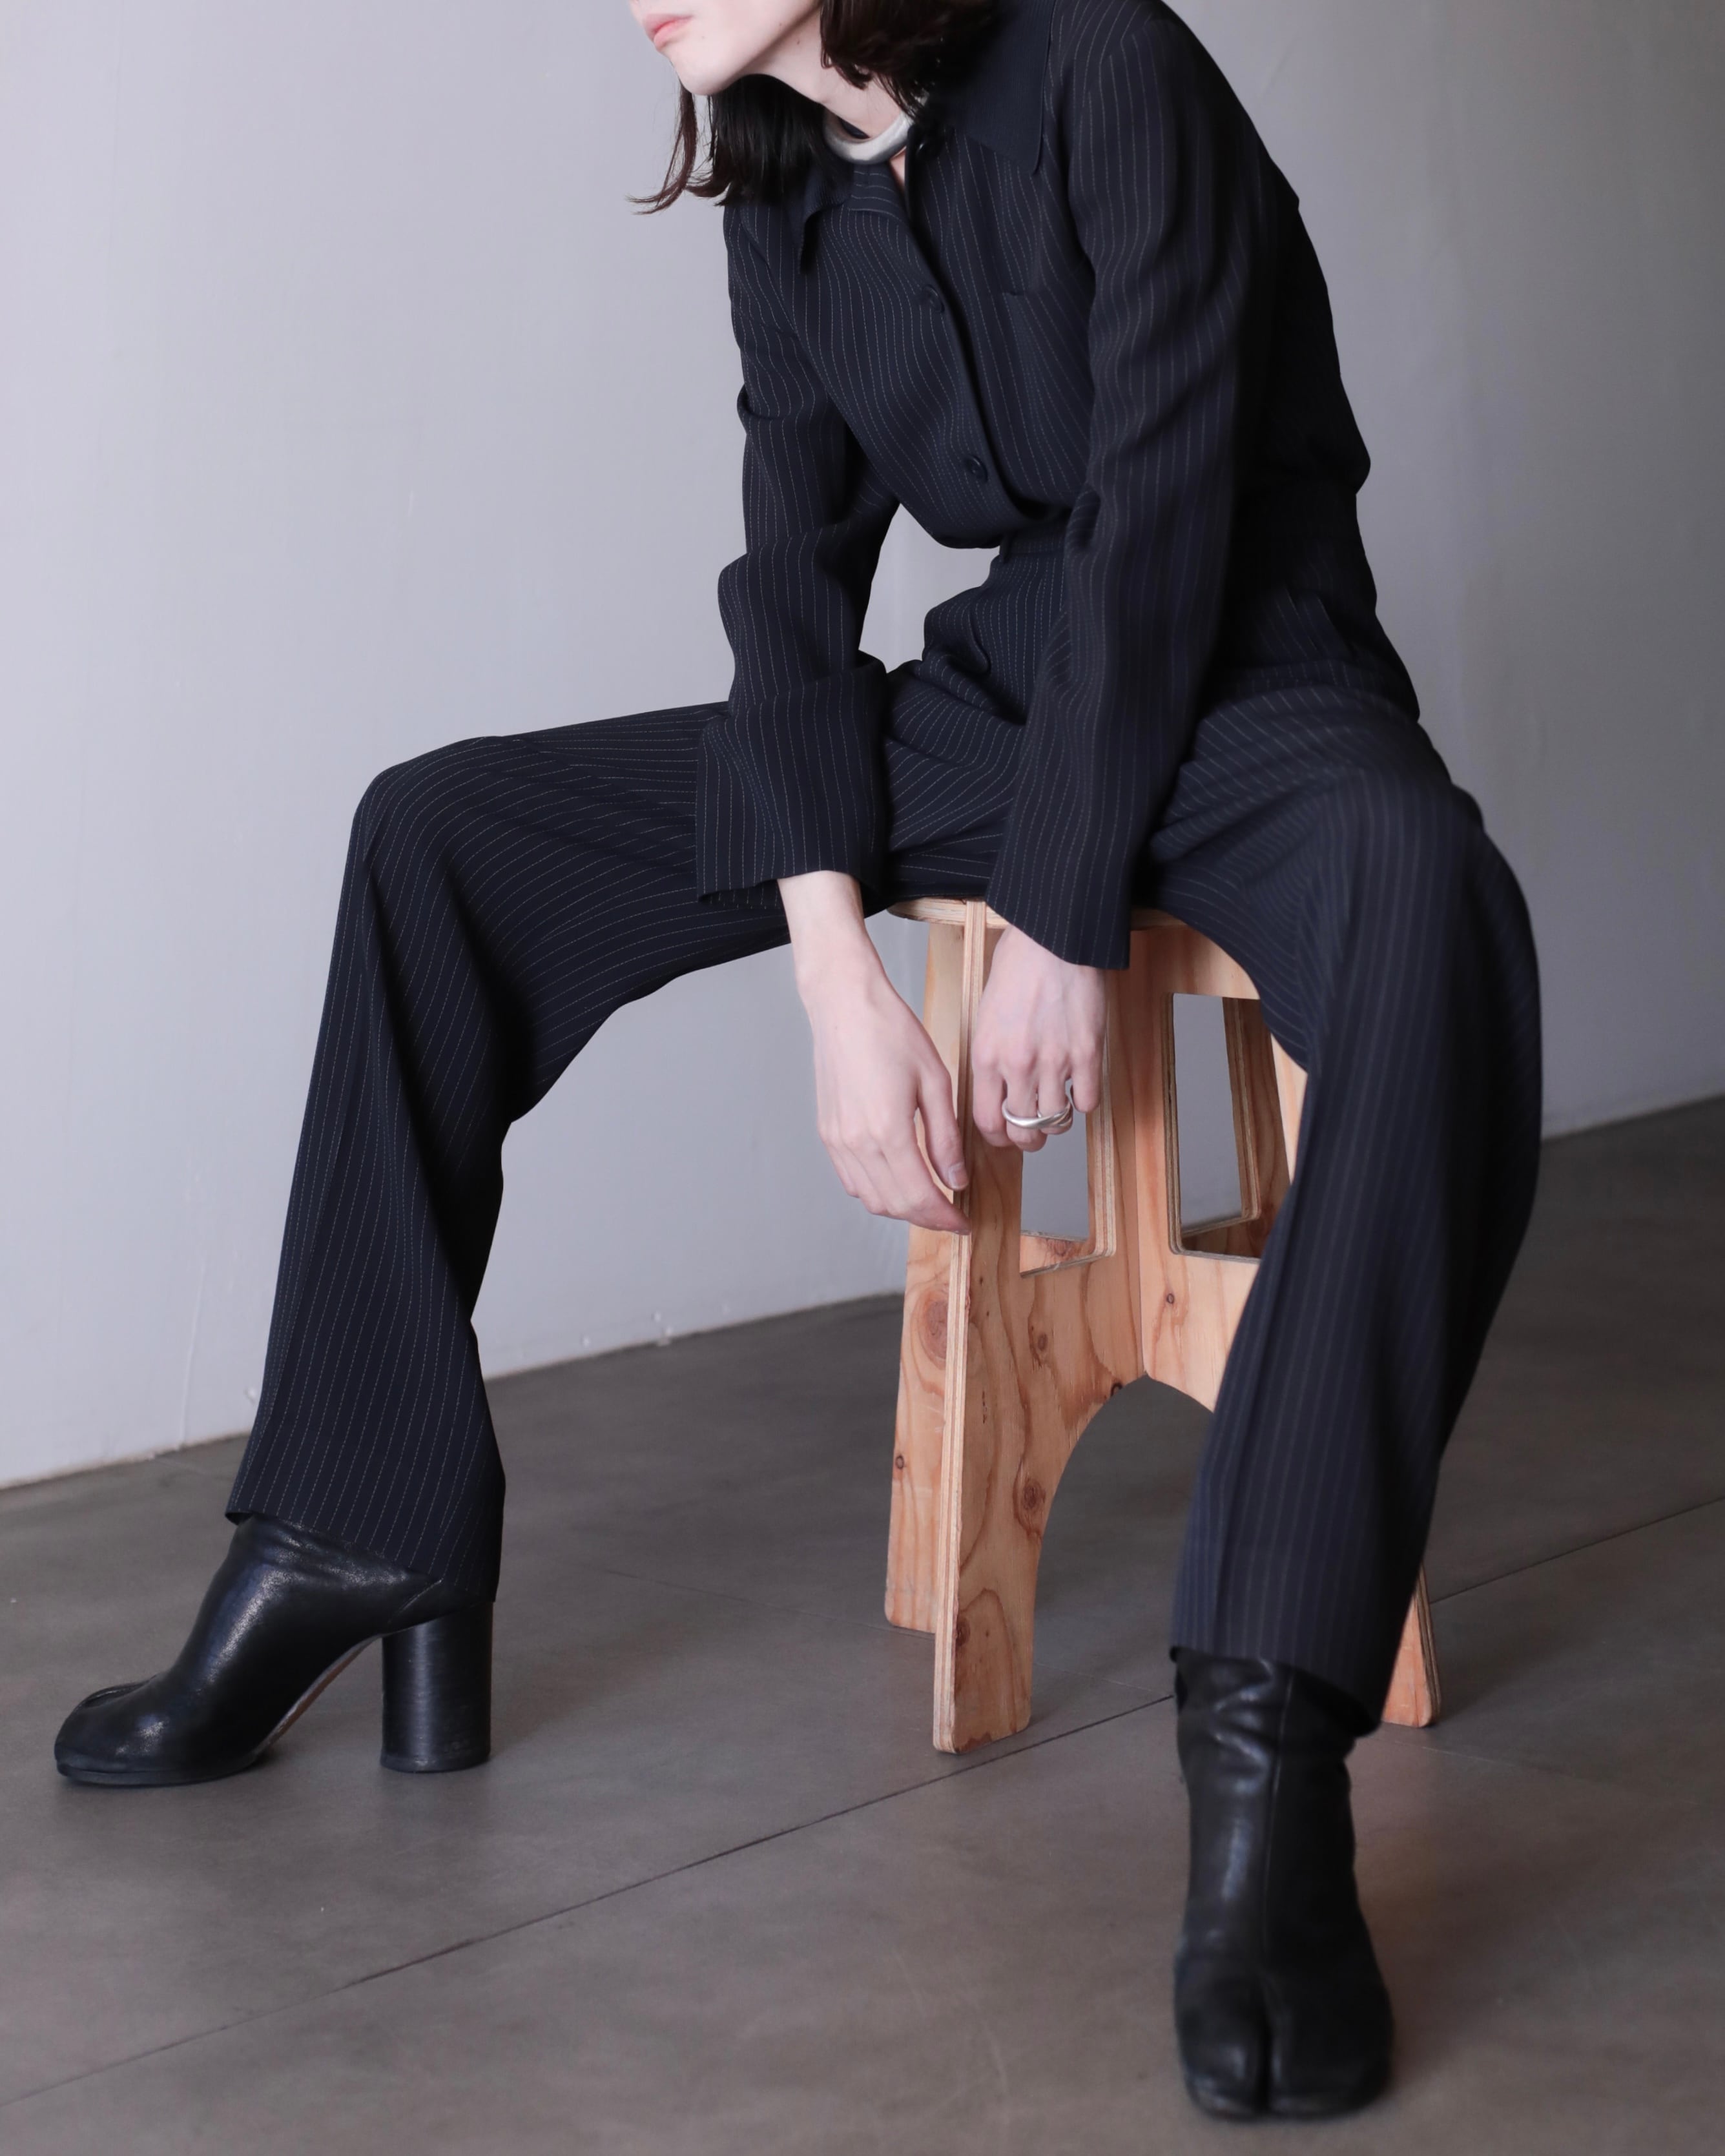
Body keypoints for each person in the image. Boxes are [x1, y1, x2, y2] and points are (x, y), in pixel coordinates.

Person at [54, 0, 1542, 2122]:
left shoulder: (1105, 61)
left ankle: (1266, 1736)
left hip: (1256, 689)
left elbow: (1166, 513)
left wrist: (1058, 923)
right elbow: (794, 582)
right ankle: (354, 1528)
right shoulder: (781, 180)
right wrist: (836, 976)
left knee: (1434, 904)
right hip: (1005, 705)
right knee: (436, 836)